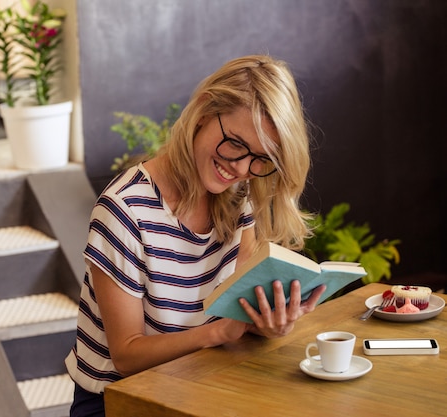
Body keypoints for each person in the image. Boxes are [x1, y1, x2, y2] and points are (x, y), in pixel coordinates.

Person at [65, 54, 326, 417]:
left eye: (259, 160)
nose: (239, 168)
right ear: (203, 112)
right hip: (116, 401)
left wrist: (267, 323)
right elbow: (126, 356)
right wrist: (218, 333)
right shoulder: (125, 210)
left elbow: (237, 312)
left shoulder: (237, 197)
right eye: (234, 143)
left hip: (195, 382)